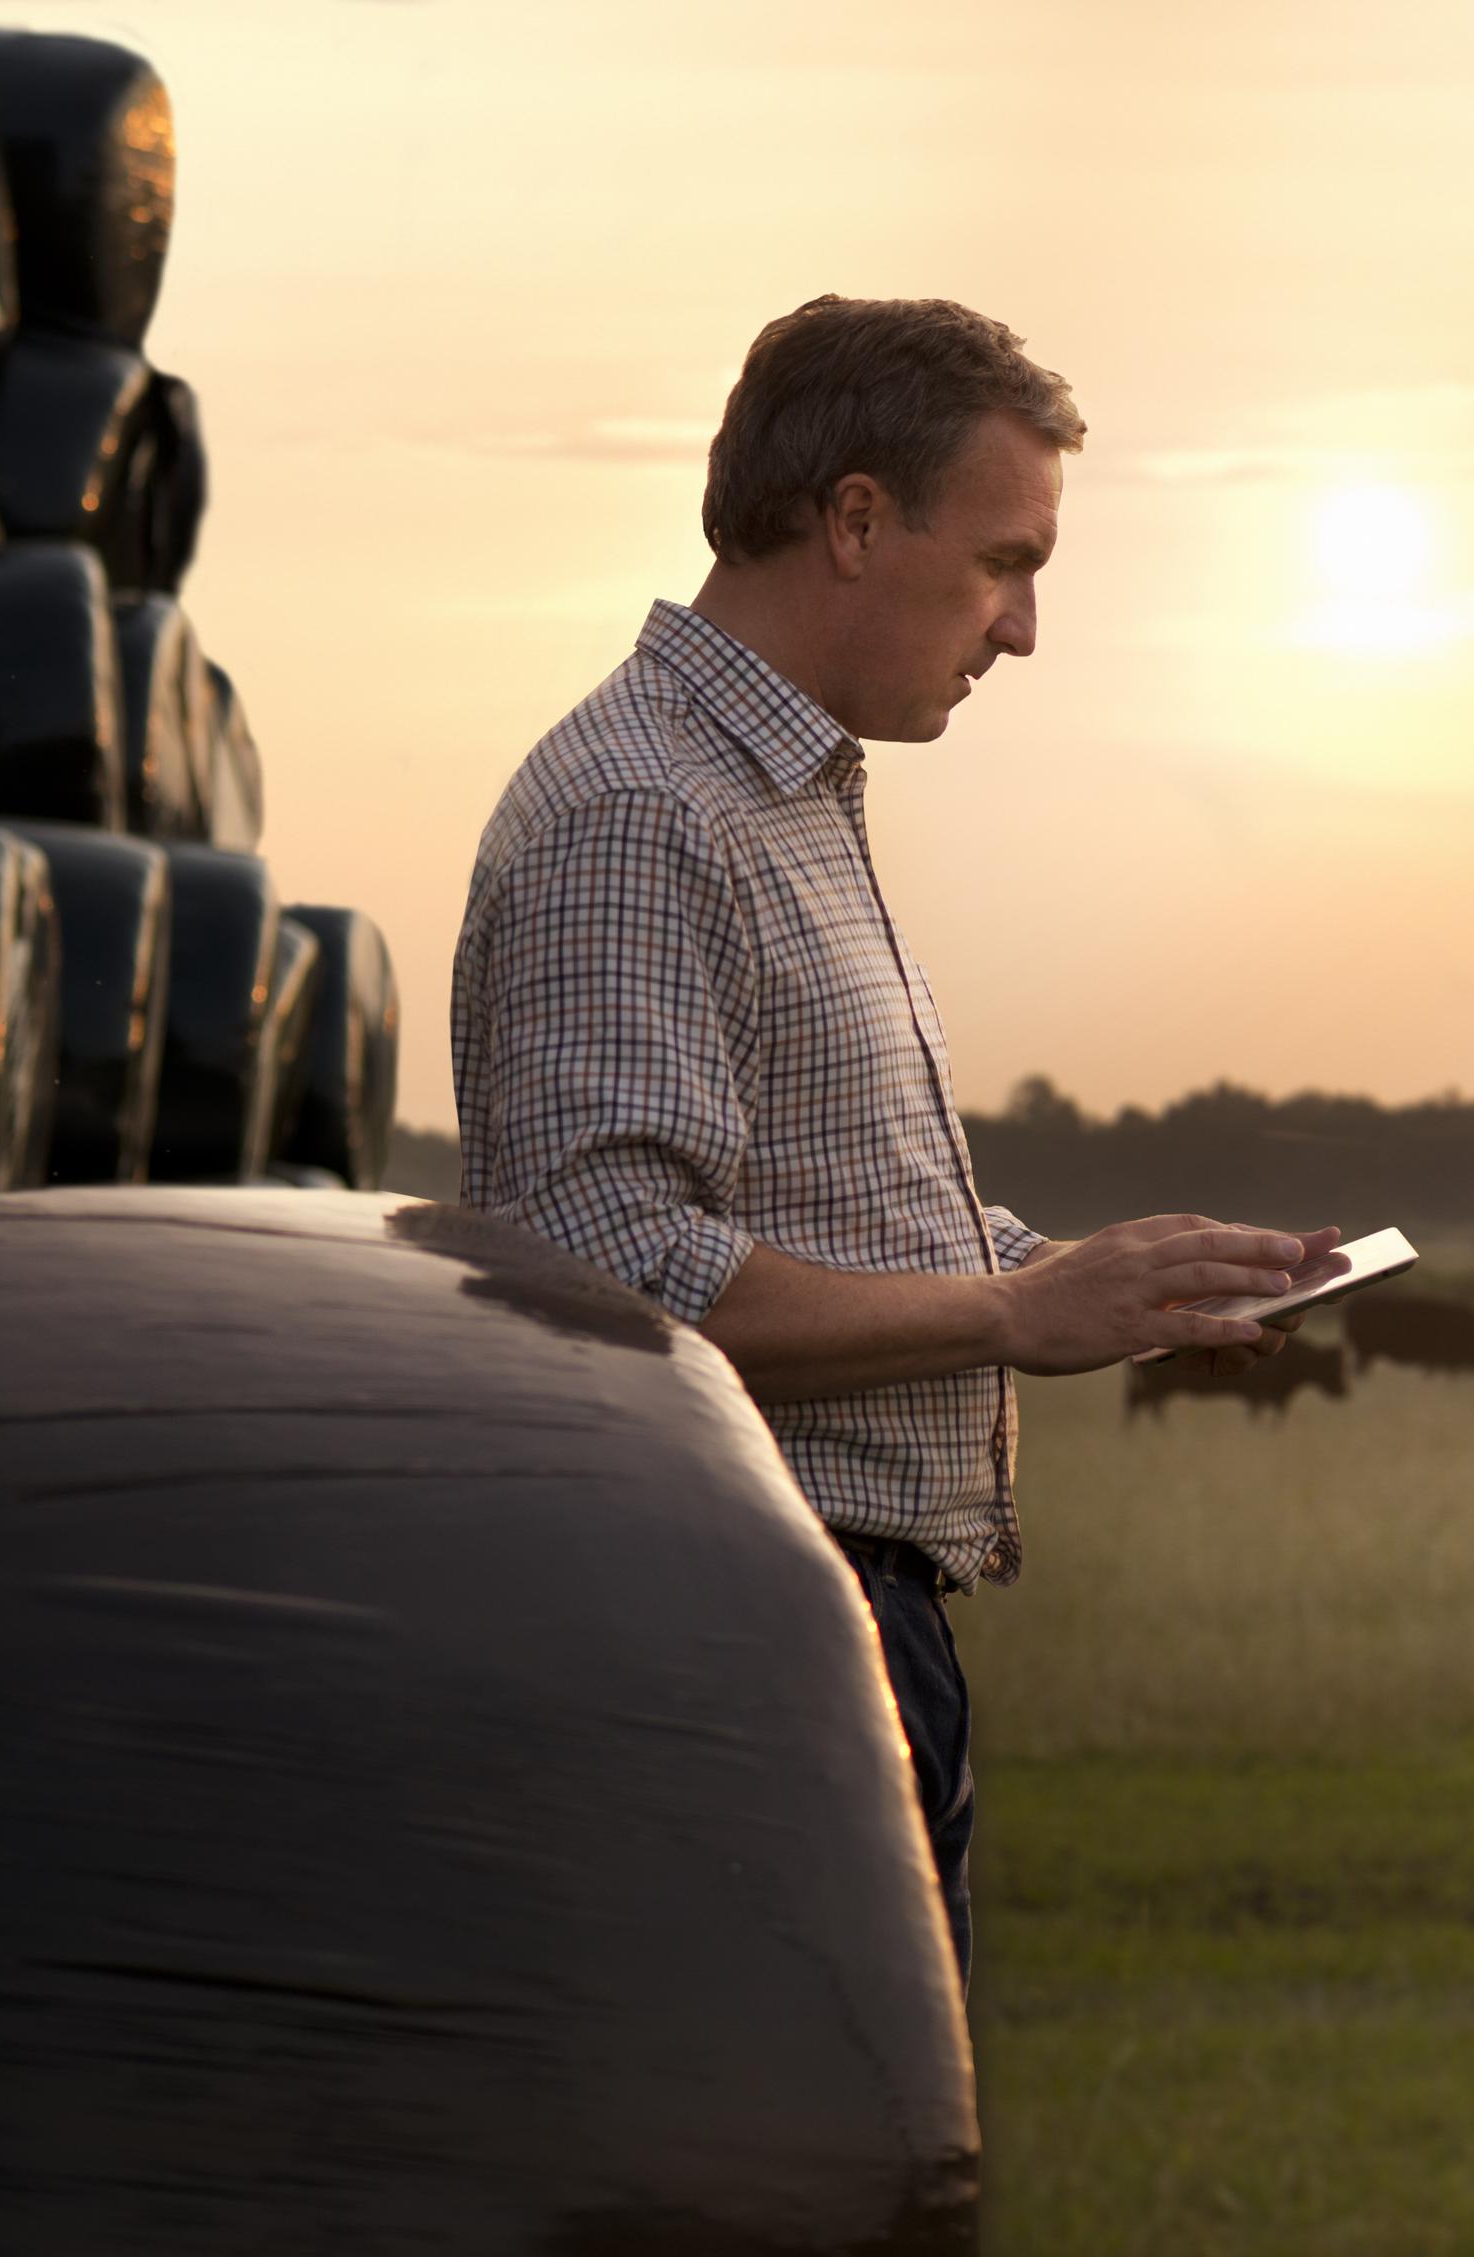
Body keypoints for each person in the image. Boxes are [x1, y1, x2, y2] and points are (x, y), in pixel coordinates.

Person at [451, 295, 1324, 1984]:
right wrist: (1004, 1318)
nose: (1023, 629)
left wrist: (1088, 1280)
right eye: (1005, 562)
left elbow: (793, 1220)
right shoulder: (647, 814)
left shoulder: (765, 798)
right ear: (856, 519)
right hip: (739, 1633)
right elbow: (609, 1281)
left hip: (809, 1628)